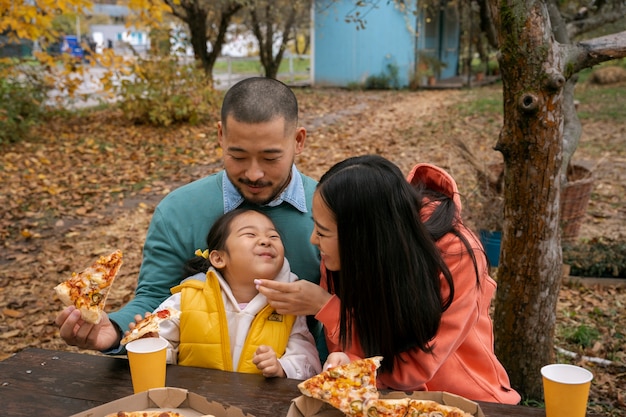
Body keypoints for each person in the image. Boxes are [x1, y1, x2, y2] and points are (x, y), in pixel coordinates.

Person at [55, 77, 324, 359]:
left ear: (298, 141)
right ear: (221, 136)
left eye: (270, 158)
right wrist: (116, 331)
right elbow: (156, 299)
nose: (254, 173)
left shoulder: (331, 214)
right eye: (238, 156)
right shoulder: (178, 212)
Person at [255, 155, 521, 404]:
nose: (314, 240)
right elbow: (354, 354)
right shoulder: (341, 252)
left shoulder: (457, 256)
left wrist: (327, 307)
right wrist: (343, 359)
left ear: (364, 237)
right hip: (383, 399)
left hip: (466, 399)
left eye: (322, 232)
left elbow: (415, 367)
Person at [149, 208, 321, 379]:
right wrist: (150, 342)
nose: (265, 241)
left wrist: (282, 367)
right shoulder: (187, 298)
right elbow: (160, 344)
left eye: (273, 236)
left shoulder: (288, 305)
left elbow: (307, 361)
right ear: (218, 258)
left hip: (260, 403)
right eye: (250, 234)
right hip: (193, 400)